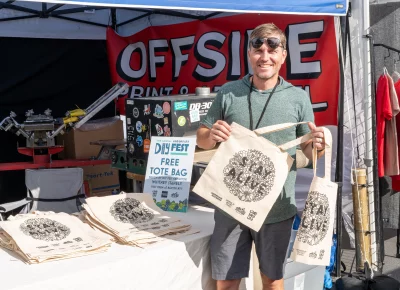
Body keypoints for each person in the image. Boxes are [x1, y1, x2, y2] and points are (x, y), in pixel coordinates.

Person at [196, 23, 326, 290]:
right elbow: (201, 137)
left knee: (272, 280)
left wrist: (319, 145)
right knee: (226, 281)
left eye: (272, 48)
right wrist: (211, 135)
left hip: (277, 209)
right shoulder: (229, 92)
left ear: (283, 55)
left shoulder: (298, 98)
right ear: (249, 54)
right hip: (230, 204)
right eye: (258, 48)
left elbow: (308, 154)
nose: (264, 55)